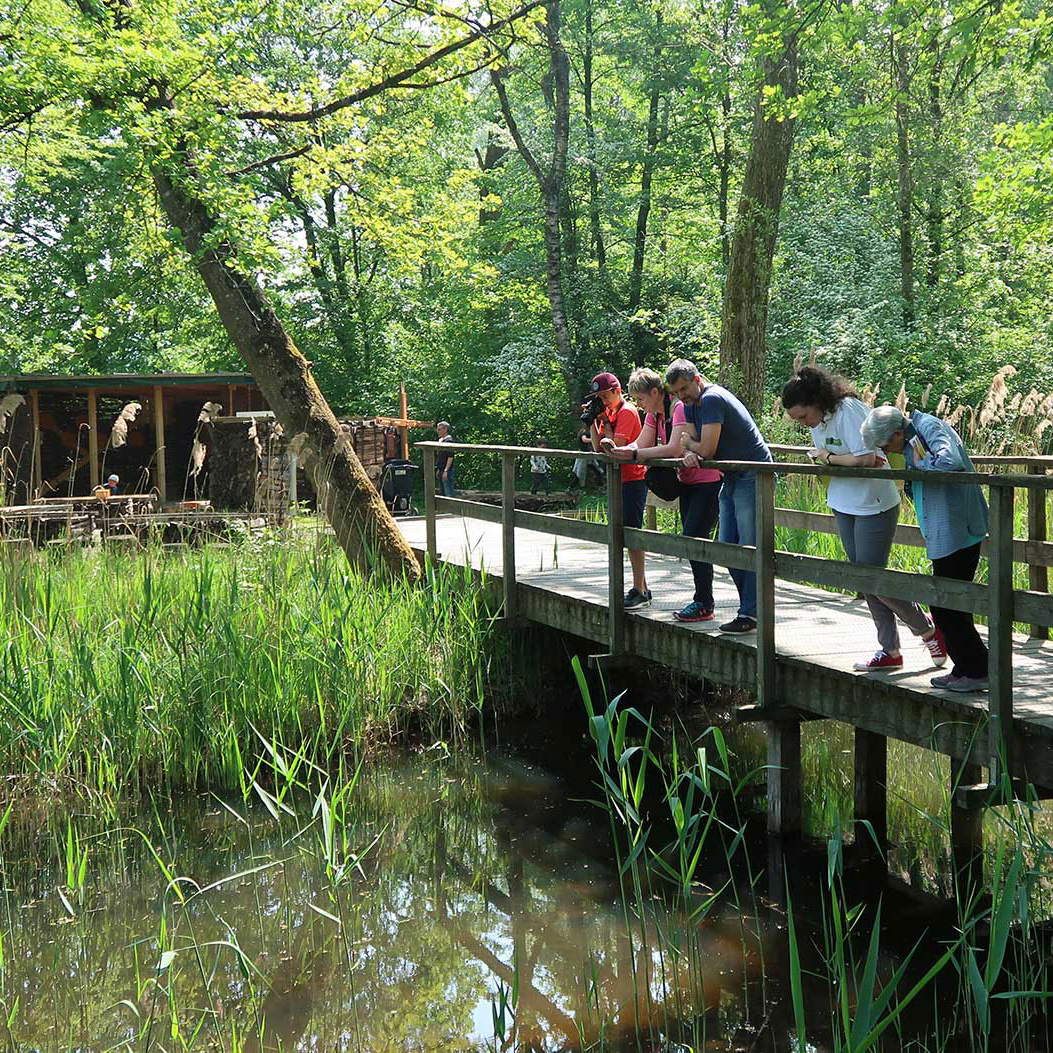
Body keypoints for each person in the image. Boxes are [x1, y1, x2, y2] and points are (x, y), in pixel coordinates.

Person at [781, 367, 947, 671]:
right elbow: (841, 455)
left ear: (817, 401)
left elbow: (867, 458)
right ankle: (890, 651)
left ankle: (927, 630)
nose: (805, 424)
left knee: (873, 576)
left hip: (874, 503)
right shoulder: (818, 420)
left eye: (804, 417)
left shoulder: (849, 410)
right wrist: (829, 458)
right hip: (843, 501)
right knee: (863, 579)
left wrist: (828, 458)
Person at [860, 404, 990, 693]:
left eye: (885, 444)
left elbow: (950, 460)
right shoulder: (912, 437)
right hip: (946, 530)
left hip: (959, 528)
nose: (888, 451)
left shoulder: (930, 428)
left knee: (947, 604)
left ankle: (979, 669)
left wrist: (919, 468)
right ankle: (966, 668)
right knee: (947, 603)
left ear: (895, 433)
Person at [605, 367, 723, 622]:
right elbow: (642, 443)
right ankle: (703, 601)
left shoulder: (677, 408)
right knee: (691, 537)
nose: (639, 404)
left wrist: (635, 456)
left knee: (694, 538)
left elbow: (672, 448)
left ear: (655, 392)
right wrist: (620, 450)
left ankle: (704, 602)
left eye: (641, 399)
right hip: (687, 482)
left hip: (707, 480)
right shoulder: (653, 415)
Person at [666, 359, 772, 634]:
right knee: (726, 548)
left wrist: (692, 446)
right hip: (731, 475)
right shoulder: (691, 404)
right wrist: (690, 449)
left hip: (752, 473)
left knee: (749, 548)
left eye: (685, 388)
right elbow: (688, 443)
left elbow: (707, 449)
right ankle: (750, 609)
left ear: (697, 379)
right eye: (676, 392)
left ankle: (751, 613)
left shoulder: (712, 398)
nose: (681, 396)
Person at [587, 371, 650, 609]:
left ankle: (639, 590)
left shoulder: (626, 412)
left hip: (633, 480)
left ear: (617, 391)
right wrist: (592, 420)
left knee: (633, 535)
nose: (602, 401)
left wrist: (607, 426)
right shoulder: (609, 413)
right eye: (598, 398)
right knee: (623, 534)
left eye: (605, 396)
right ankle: (642, 587)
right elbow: (597, 447)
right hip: (618, 481)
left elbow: (617, 449)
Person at [435, 421, 455, 497]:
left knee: (448, 493)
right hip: (441, 469)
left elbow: (450, 457)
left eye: (439, 429)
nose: (438, 431)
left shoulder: (449, 441)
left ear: (445, 429)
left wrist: (446, 471)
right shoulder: (441, 441)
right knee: (442, 493)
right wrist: (438, 469)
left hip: (447, 471)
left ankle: (451, 508)